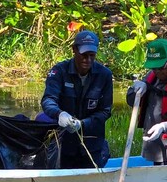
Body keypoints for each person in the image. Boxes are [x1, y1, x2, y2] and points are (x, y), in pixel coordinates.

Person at [41, 30, 113, 168]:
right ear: (74, 50)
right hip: (64, 143)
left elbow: (105, 111)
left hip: (92, 144)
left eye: (92, 55)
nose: (88, 60)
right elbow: (48, 100)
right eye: (84, 55)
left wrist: (82, 124)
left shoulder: (104, 75)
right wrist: (60, 114)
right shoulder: (59, 72)